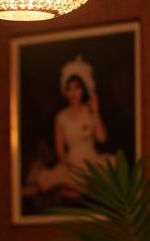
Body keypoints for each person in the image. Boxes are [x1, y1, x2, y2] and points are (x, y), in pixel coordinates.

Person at [25, 55, 115, 201]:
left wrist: (96, 111)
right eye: (69, 89)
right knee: (57, 181)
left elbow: (101, 138)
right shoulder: (61, 117)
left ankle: (84, 189)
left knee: (104, 173)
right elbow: (59, 148)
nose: (73, 93)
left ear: (83, 89)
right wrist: (68, 164)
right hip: (72, 162)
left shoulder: (90, 111)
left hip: (91, 160)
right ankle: (76, 188)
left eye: (77, 88)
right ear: (65, 91)